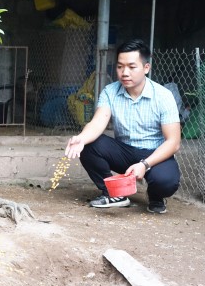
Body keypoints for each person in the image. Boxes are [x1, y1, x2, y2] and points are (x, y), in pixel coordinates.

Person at [64, 38, 181, 214]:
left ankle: (156, 196)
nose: (125, 72)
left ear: (146, 68)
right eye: (120, 66)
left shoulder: (164, 96)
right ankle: (113, 194)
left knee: (166, 181)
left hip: (153, 155)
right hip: (124, 152)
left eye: (132, 67)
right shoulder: (110, 91)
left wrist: (145, 164)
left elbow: (173, 142)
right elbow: (97, 122)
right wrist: (81, 138)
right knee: (88, 144)